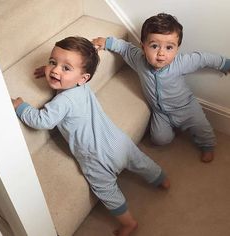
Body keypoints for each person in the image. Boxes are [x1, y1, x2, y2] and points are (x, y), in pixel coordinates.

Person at [12, 36, 170, 236]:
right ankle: (161, 179)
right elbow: (66, 74)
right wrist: (52, 72)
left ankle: (129, 223)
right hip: (118, 141)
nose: (55, 70)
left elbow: (42, 121)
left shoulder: (61, 102)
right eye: (53, 62)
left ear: (83, 78)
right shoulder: (82, 87)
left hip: (95, 156)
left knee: (106, 190)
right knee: (140, 161)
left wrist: (21, 107)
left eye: (65, 68)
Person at [92, 13, 230, 163]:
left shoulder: (181, 63)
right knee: (159, 139)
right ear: (143, 46)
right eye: (154, 46)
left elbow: (203, 59)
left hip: (186, 107)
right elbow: (125, 48)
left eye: (169, 47)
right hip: (160, 112)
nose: (161, 53)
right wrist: (108, 42)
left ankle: (207, 146)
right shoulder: (139, 60)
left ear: (177, 49)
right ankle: (172, 130)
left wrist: (224, 64)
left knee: (202, 128)